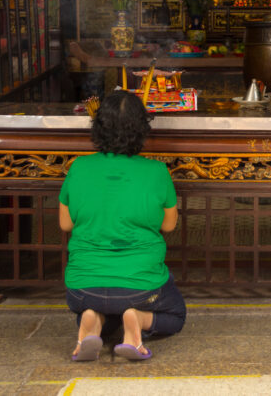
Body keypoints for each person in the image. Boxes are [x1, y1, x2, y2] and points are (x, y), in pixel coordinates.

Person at [58, 90, 186, 362]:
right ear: (142, 129)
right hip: (141, 287)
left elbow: (65, 223)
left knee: (100, 305)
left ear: (98, 126)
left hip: (83, 288)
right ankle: (136, 319)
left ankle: (91, 320)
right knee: (175, 315)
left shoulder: (78, 167)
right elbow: (169, 224)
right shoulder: (157, 172)